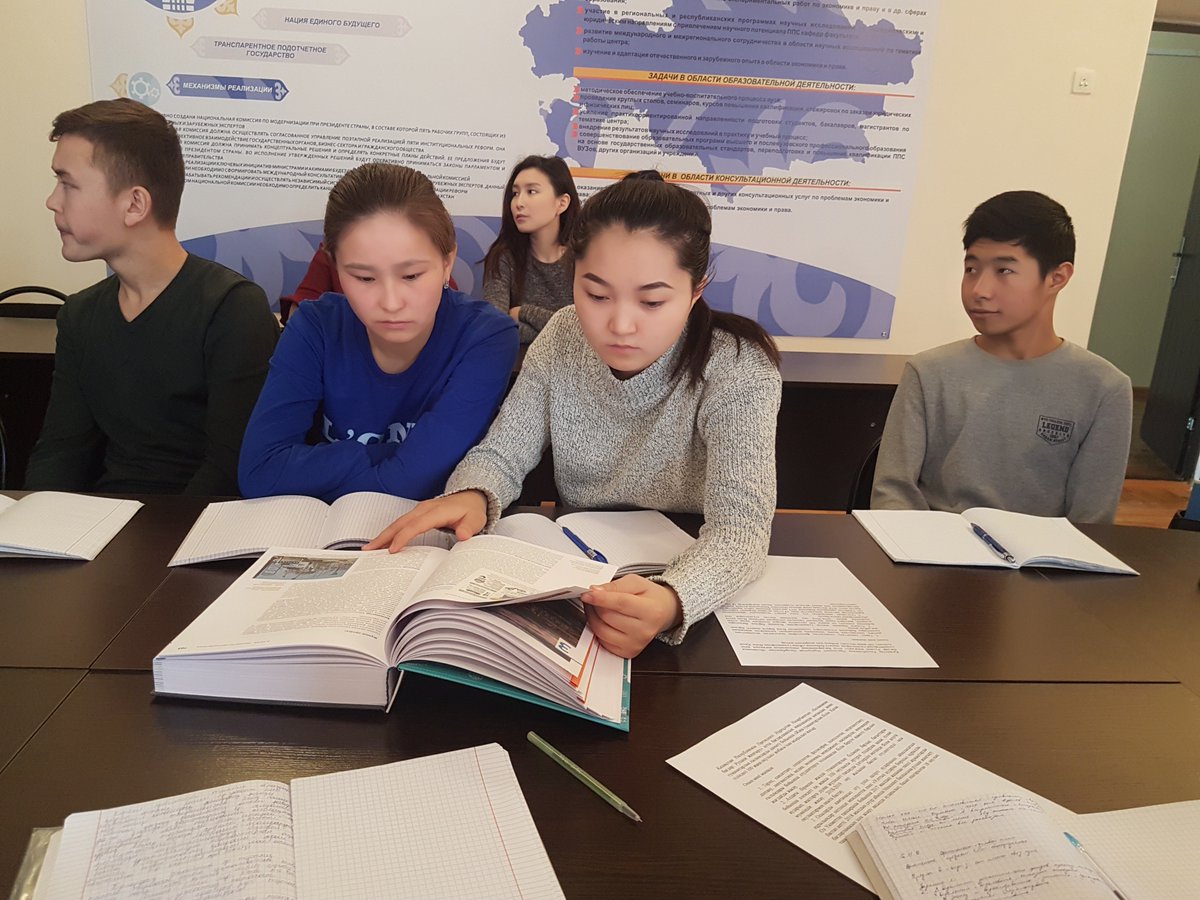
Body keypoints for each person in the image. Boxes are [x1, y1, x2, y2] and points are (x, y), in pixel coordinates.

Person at [366, 175, 782, 658]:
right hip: (582, 578)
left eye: (652, 301)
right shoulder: (564, 335)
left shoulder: (737, 366)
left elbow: (741, 531)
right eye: (597, 295)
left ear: (695, 291)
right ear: (573, 276)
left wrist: (674, 599)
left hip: (692, 582)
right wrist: (474, 492)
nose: (620, 325)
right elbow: (502, 453)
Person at [26, 98, 278, 495]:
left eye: (68, 184)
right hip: (104, 519)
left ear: (134, 204)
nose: (52, 201)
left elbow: (228, 470)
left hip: (196, 522)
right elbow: (60, 455)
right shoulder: (80, 314)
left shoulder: (232, 308)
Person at [237, 163, 519, 502]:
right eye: (364, 278)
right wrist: (392, 458)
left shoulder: (486, 337)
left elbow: (411, 485)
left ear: (447, 262)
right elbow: (260, 473)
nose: (391, 302)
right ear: (335, 266)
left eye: (411, 276)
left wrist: (315, 466)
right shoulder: (315, 327)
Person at [872, 190, 1132, 523]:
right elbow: (892, 493)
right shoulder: (927, 372)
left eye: (1004, 271)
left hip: (1043, 555)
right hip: (931, 549)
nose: (979, 290)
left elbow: (1090, 522)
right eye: (971, 269)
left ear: (1057, 277)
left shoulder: (1104, 389)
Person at [482, 155, 579, 344]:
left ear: (562, 203)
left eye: (531, 191)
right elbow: (494, 330)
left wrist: (523, 312)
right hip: (516, 364)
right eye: (515, 193)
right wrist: (561, 333)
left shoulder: (582, 259)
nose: (519, 203)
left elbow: (584, 331)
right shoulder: (503, 257)